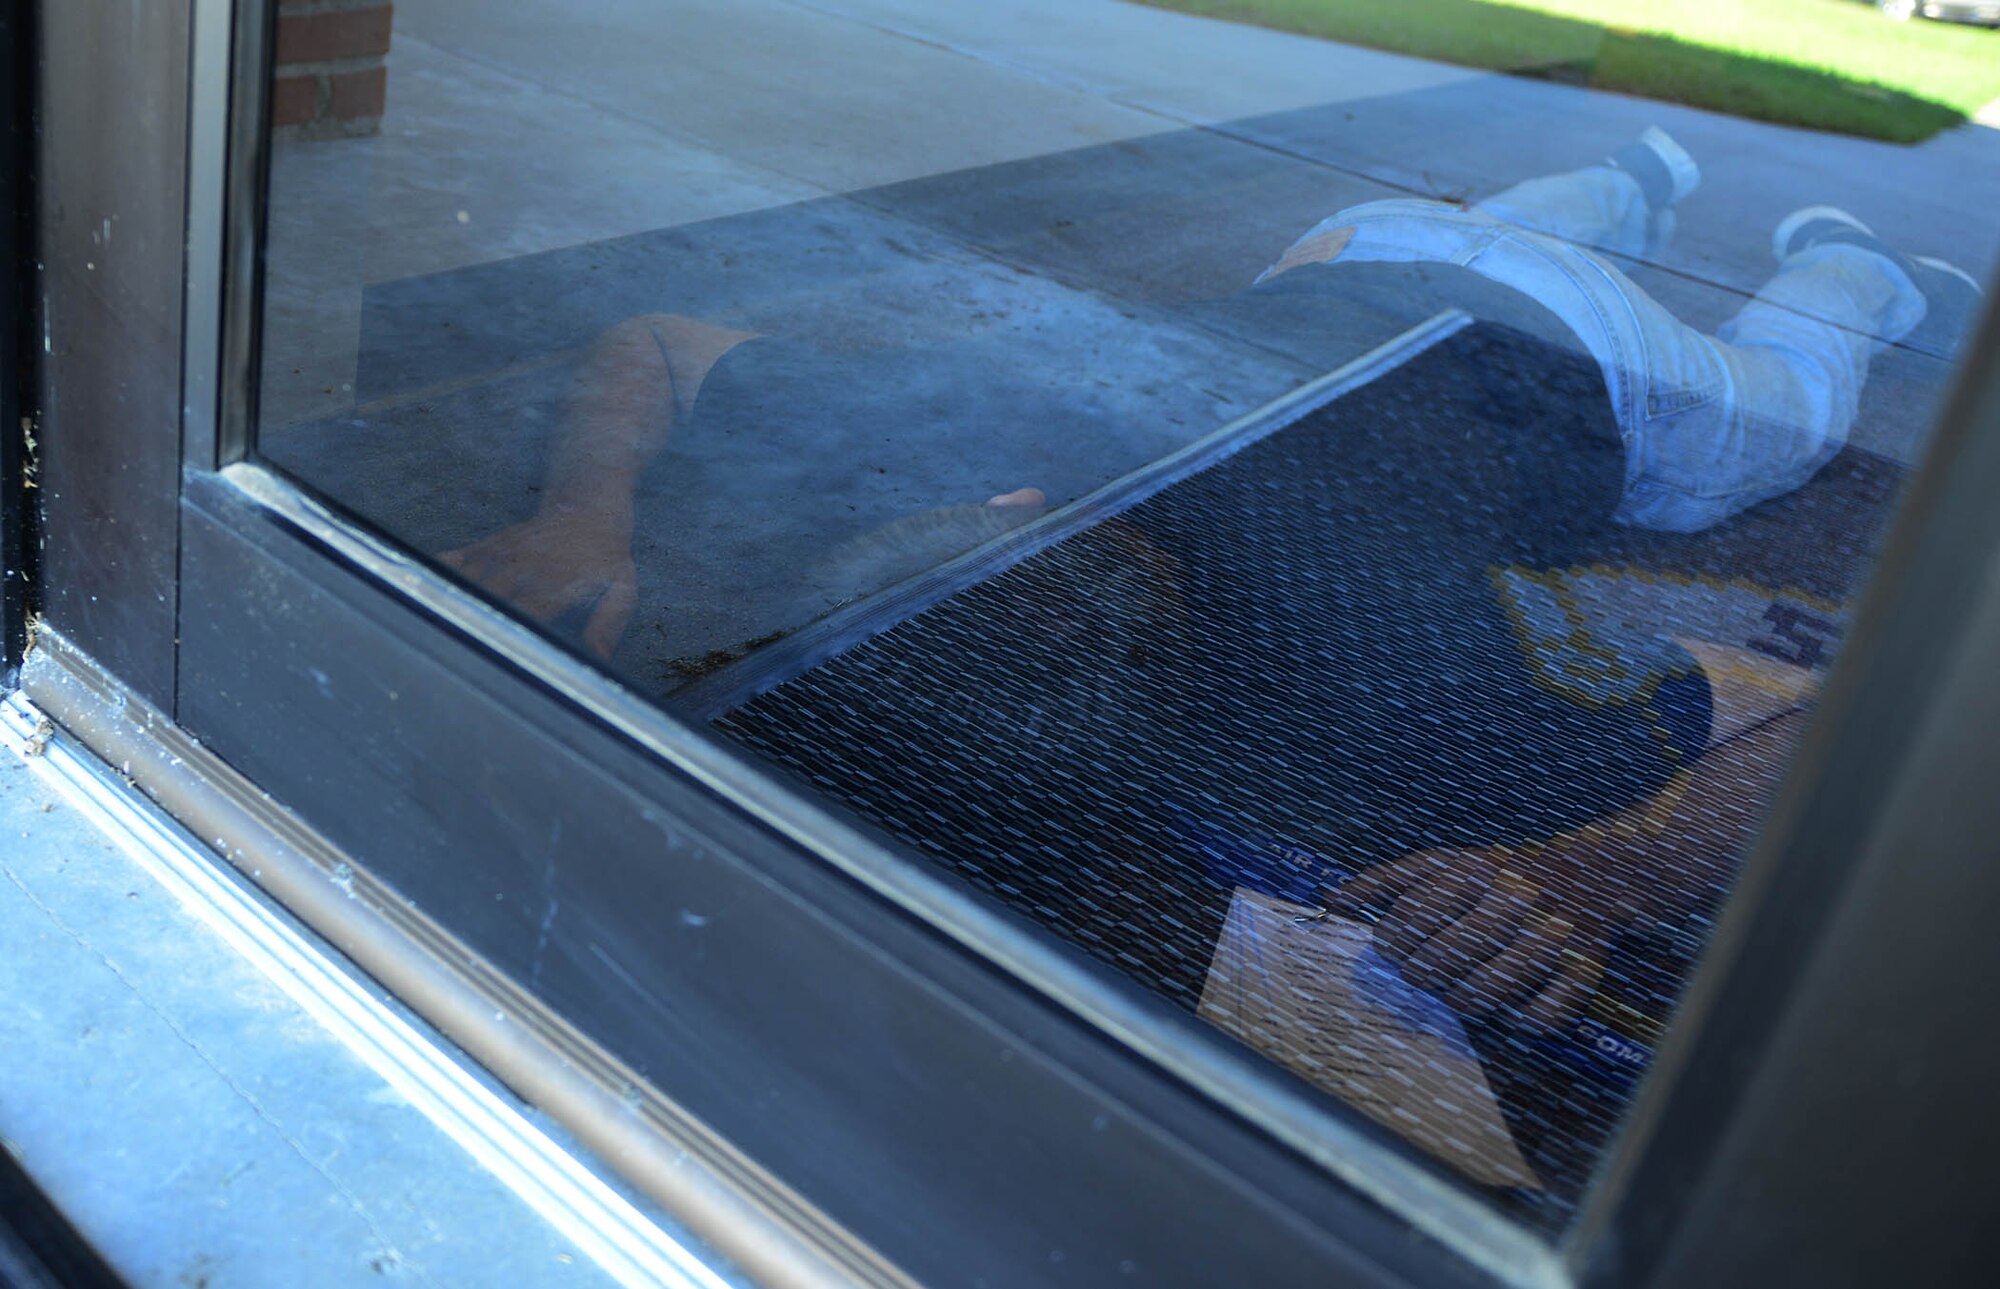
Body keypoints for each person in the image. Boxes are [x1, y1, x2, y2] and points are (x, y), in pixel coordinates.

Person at [440, 128, 1980, 1039]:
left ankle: (1859, 268)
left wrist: (1597, 871)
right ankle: (1650, 186)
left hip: (1562, 347)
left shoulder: (1395, 669)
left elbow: (1827, 717)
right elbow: (1814, 722)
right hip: (1369, 255)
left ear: (998, 494)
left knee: (1797, 388)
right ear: (1014, 507)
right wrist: (1595, 873)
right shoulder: (1364, 654)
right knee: (1543, 243)